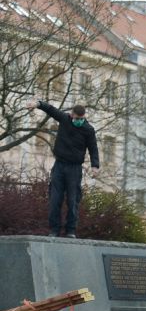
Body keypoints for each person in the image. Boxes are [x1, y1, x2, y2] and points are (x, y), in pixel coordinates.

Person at [26, 100, 99, 238]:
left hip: (74, 168)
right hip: (59, 165)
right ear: (72, 115)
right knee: (55, 199)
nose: (79, 121)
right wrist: (38, 104)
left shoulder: (88, 130)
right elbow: (51, 109)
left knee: (73, 200)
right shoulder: (64, 119)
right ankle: (54, 230)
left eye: (82, 119)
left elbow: (93, 148)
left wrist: (95, 166)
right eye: (77, 119)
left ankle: (70, 230)